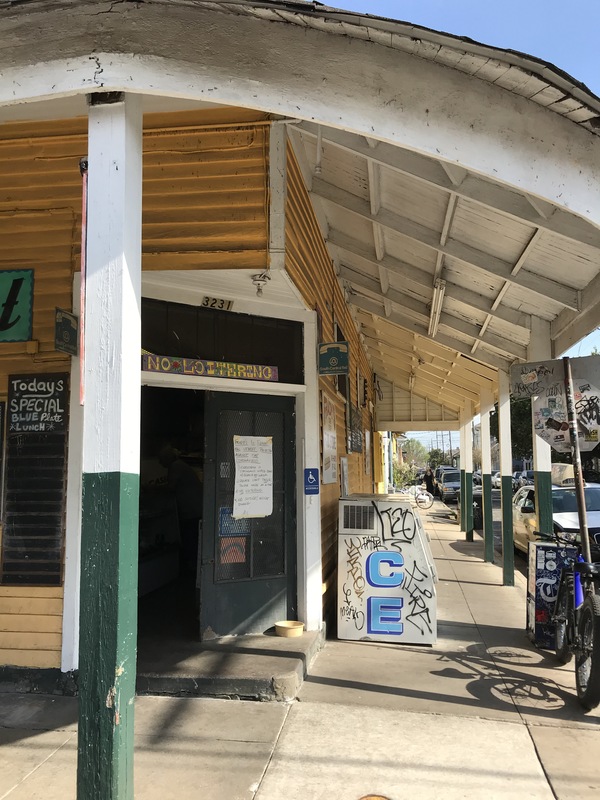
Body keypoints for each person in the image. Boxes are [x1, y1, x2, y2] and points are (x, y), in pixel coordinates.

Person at [158, 445, 203, 576]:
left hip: (190, 510)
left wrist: (151, 489)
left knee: (189, 536)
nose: (160, 463)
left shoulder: (176, 466)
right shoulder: (181, 465)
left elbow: (170, 487)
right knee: (192, 536)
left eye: (161, 460)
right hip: (194, 508)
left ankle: (191, 567)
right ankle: (192, 566)